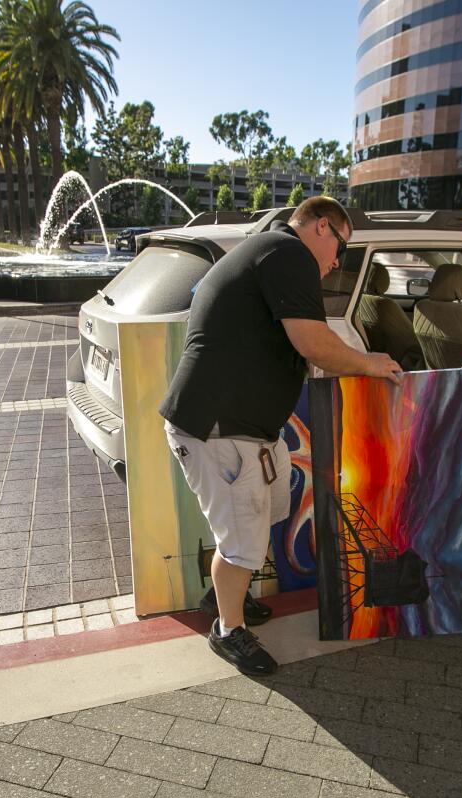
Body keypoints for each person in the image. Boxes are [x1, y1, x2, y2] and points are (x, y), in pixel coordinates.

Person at [159, 196, 402, 675]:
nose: (336, 264)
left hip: (245, 429)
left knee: (268, 509)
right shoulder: (289, 254)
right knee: (243, 538)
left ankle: (225, 594)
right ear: (322, 227)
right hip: (220, 430)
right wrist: (368, 363)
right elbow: (313, 343)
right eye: (342, 250)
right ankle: (227, 631)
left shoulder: (268, 251)